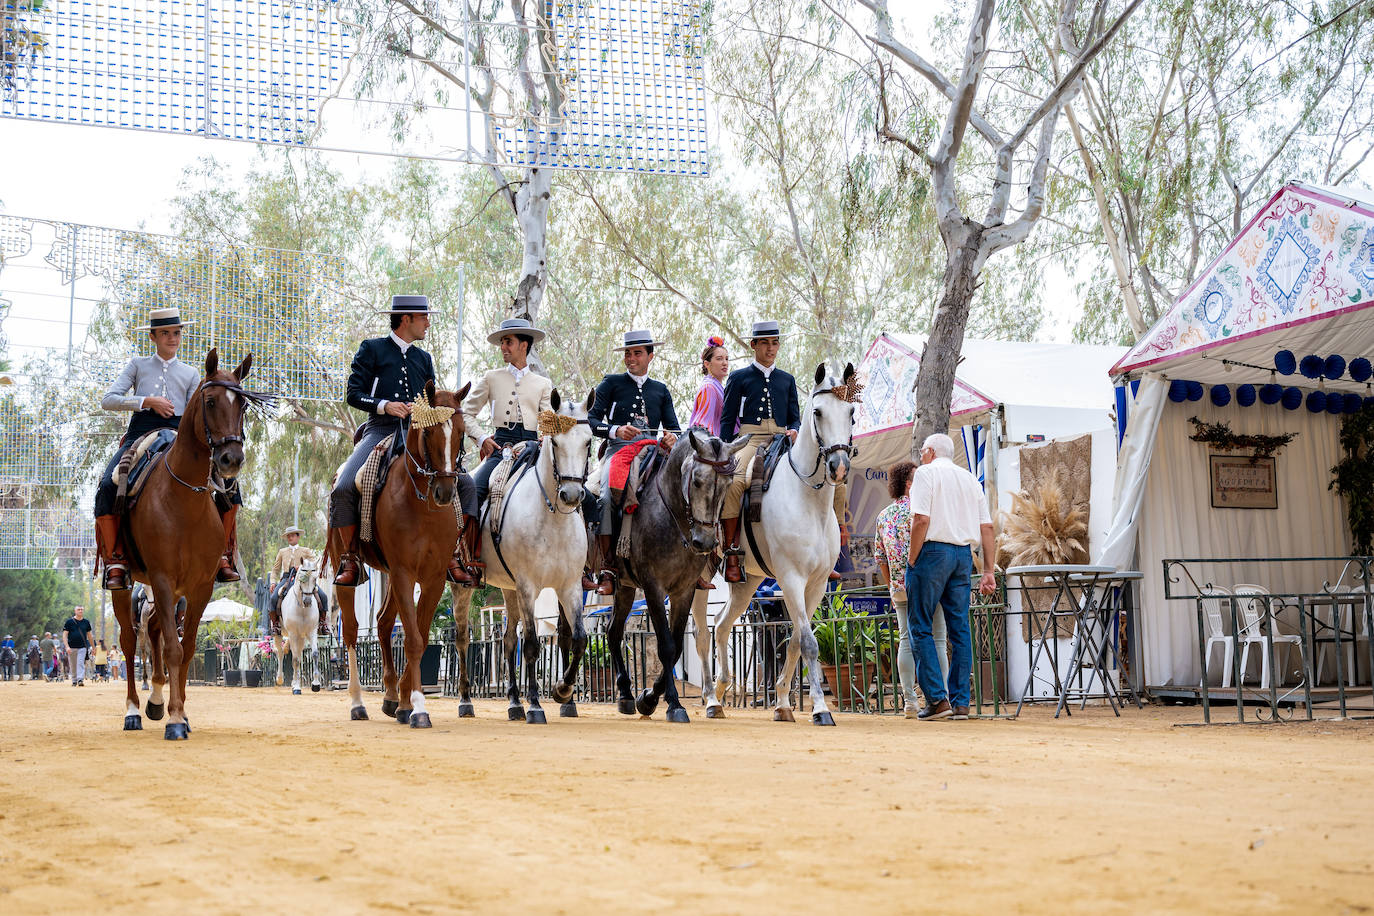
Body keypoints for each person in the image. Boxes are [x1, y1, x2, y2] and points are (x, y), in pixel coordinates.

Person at [328, 294, 472, 587]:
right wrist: (384, 405)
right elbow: (353, 393)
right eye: (424, 318)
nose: (428, 323)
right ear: (406, 319)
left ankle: (455, 554)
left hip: (418, 433)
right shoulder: (372, 349)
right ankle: (351, 558)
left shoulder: (424, 358)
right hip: (379, 430)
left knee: (466, 483)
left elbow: (430, 402)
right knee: (344, 487)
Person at [95, 306, 241, 588]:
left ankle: (223, 555)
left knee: (231, 488)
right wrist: (147, 401)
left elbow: (193, 414)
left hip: (177, 436)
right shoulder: (137, 365)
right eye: (165, 334)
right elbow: (108, 399)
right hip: (141, 432)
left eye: (176, 333)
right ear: (153, 337)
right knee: (107, 484)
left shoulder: (190, 373)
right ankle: (116, 559)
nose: (172, 338)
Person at [905, 433, 998, 721]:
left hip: (932, 552)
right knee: (960, 629)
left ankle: (936, 700)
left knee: (919, 625)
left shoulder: (925, 473)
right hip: (962, 556)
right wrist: (988, 571)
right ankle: (961, 703)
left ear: (931, 451)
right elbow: (987, 528)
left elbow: (921, 520)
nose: (921, 456)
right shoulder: (970, 478)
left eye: (922, 451)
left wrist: (912, 558)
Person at [586, 330, 680, 595]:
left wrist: (672, 438)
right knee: (603, 497)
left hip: (653, 451)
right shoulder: (611, 383)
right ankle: (606, 568)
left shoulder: (661, 390)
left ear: (651, 355)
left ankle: (692, 561)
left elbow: (673, 427)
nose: (631, 358)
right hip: (618, 451)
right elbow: (592, 421)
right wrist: (616, 430)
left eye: (637, 353)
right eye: (628, 353)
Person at [461, 317, 553, 587]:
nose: (503, 346)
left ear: (524, 345)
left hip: (533, 448)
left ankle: (578, 564)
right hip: (500, 447)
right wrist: (481, 438)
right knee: (473, 489)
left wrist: (549, 434)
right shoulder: (491, 378)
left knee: (563, 489)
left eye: (509, 342)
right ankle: (469, 558)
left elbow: (547, 419)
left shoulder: (542, 383)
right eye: (502, 342)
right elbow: (466, 414)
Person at [717, 320, 801, 582]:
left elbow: (795, 417)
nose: (771, 348)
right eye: (765, 343)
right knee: (734, 484)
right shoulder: (739, 377)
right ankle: (732, 552)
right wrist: (725, 451)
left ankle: (827, 550)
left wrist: (795, 429)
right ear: (753, 345)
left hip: (781, 439)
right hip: (750, 440)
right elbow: (727, 420)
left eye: (775, 342)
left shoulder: (787, 379)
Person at [873, 460, 948, 718]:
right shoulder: (925, 511)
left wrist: (891, 584)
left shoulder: (883, 516)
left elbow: (879, 557)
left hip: (899, 587)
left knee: (905, 639)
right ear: (909, 484)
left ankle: (909, 701)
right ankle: (940, 696)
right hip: (928, 583)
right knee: (937, 637)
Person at [269, 526, 320, 630]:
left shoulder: (305, 550)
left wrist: (302, 567)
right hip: (286, 578)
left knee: (322, 595)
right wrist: (273, 582)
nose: (290, 538)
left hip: (303, 578)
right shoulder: (282, 551)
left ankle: (322, 622)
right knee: (273, 598)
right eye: (288, 536)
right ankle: (275, 625)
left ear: (298, 537)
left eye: (292, 535)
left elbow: (315, 564)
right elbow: (275, 569)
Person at [689, 336, 729, 436]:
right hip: (713, 446)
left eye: (727, 359)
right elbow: (703, 425)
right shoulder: (709, 388)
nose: (725, 363)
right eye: (719, 359)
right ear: (707, 364)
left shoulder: (716, 387)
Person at [61, 605, 93, 686]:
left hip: (82, 647)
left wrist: (93, 647)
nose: (80, 611)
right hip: (71, 647)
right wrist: (67, 646)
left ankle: (80, 679)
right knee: (73, 664)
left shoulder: (86, 622)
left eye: (82, 609)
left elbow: (89, 636)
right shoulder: (69, 622)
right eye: (78, 609)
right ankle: (74, 680)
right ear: (75, 611)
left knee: (80, 663)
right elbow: (64, 635)